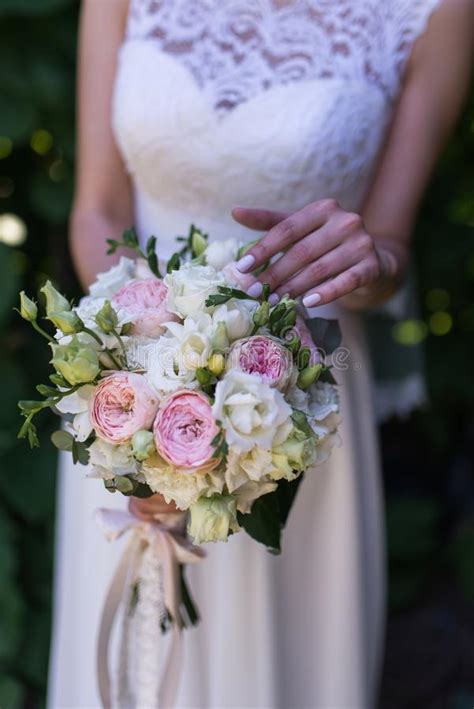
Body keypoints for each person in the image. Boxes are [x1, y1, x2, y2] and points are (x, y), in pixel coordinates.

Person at [48, 1, 473, 707]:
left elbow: (391, 246)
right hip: (132, 380)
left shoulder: (436, 12)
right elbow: (98, 206)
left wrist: (372, 261)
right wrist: (141, 379)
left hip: (299, 405)